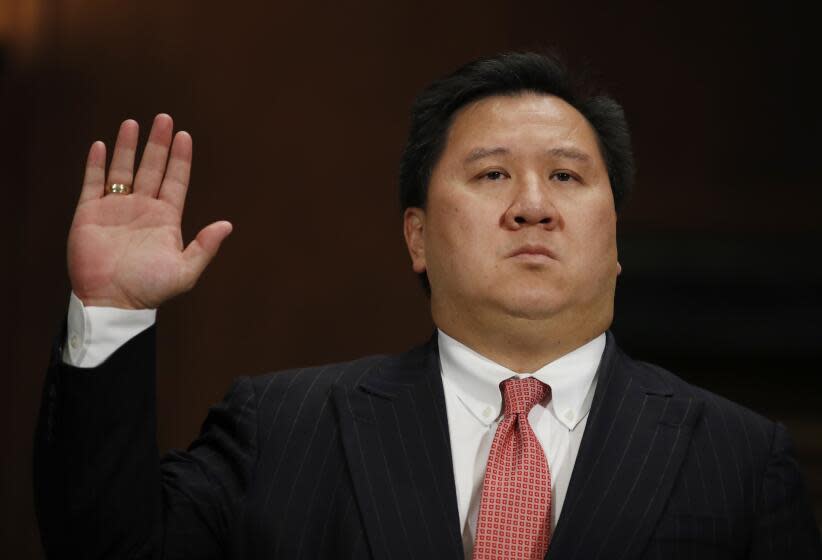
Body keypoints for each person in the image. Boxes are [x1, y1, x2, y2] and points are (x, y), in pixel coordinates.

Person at [34, 52, 821, 559]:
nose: (533, 207)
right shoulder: (281, 429)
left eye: (569, 177)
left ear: (615, 240)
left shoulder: (742, 461)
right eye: (490, 176)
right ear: (417, 237)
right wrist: (111, 312)